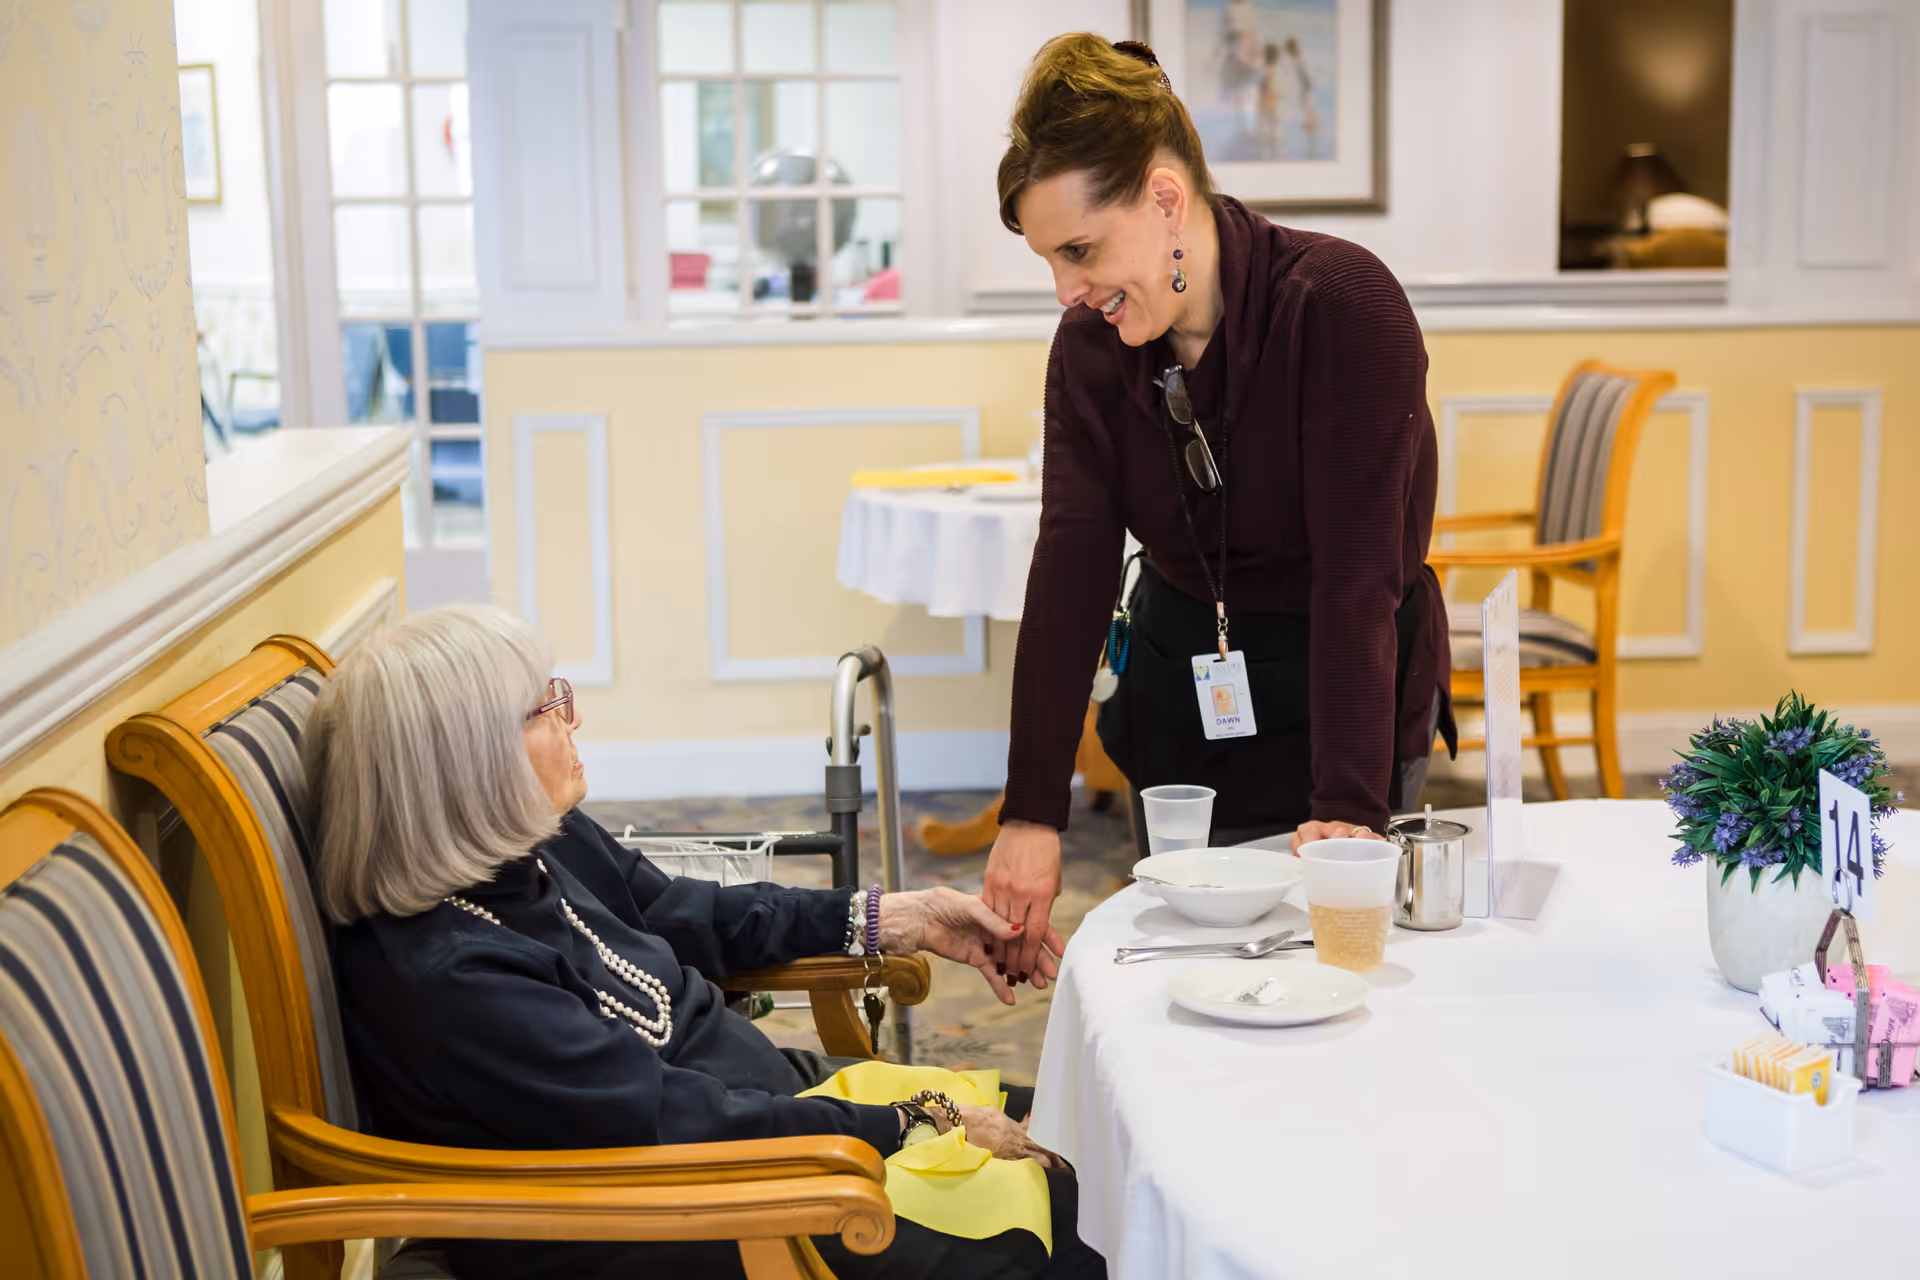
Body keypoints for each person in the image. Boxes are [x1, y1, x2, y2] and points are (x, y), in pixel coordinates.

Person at [304, 605, 1103, 1280]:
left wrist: (899, 916)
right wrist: (916, 1121)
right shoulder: (454, 980)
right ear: (465, 765)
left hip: (766, 1116)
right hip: (711, 1208)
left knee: (1077, 1125)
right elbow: (673, 1125)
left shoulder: (535, 846)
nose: (571, 717)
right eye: (545, 708)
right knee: (1077, 1221)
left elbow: (692, 913)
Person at [984, 35, 1454, 987]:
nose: (1068, 290)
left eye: (1078, 250)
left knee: (1340, 992)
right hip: (1183, 703)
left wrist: (1350, 815)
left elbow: (1359, 579)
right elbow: (1071, 567)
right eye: (1051, 261)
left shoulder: (1340, 304)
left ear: (1165, 200)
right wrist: (1030, 813)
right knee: (1191, 983)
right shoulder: (1088, 346)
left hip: (1346, 706)